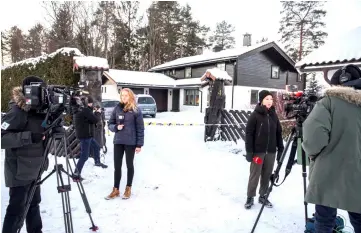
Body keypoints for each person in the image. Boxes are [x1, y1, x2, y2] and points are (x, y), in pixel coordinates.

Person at [302, 64, 361, 233]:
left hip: (328, 173)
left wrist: (313, 155)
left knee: (325, 219)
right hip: (358, 174)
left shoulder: (327, 103)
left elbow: (314, 138)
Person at [1, 76, 48, 233]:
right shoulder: (16, 111)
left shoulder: (40, 111)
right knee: (17, 208)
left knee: (34, 204)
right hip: (19, 170)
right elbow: (2, 138)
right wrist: (28, 137)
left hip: (35, 168)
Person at [244, 90, 284, 209]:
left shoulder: (274, 115)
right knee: (255, 175)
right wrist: (249, 151)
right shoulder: (255, 115)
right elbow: (249, 134)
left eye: (271, 99)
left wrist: (280, 148)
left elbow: (278, 132)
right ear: (261, 100)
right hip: (258, 152)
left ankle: (263, 196)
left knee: (266, 175)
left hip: (271, 152)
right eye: (267, 99)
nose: (269, 101)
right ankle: (250, 197)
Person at [105, 88, 144, 200]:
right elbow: (110, 124)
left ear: (130, 96)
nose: (124, 97)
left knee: (129, 165)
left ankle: (128, 188)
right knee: (117, 166)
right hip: (118, 141)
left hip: (130, 142)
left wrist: (139, 145)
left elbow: (140, 129)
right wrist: (116, 127)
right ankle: (116, 189)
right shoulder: (117, 108)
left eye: (126, 95)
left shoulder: (136, 110)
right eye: (122, 95)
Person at [73, 95, 108, 181]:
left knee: (96, 147)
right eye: (90, 103)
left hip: (87, 135)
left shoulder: (82, 110)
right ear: (86, 103)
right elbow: (95, 120)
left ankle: (97, 162)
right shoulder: (85, 111)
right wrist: (98, 113)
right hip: (85, 136)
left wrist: (93, 111)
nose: (91, 104)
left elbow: (88, 117)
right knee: (84, 156)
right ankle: (76, 174)